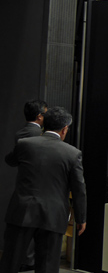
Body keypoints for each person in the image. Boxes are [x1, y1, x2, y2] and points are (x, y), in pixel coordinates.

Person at [0, 106, 87, 273]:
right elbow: (79, 188)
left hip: (22, 211)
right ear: (64, 129)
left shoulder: (25, 144)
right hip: (53, 215)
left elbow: (10, 160)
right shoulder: (72, 153)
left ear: (44, 124)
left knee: (10, 263)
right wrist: (81, 217)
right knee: (47, 266)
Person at [3, 99, 48, 269]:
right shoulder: (38, 135)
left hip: (24, 185)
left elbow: (13, 159)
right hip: (40, 187)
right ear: (39, 116)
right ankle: (28, 261)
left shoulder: (21, 133)